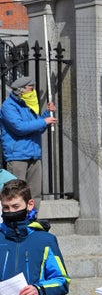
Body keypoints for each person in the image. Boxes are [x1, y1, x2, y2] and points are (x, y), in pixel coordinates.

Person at [0, 77, 57, 211]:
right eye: (31, 89)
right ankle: (16, 222)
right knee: (15, 194)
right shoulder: (8, 106)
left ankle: (32, 221)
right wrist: (44, 121)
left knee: (34, 193)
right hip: (17, 156)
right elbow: (20, 127)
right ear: (21, 90)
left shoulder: (29, 106)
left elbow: (37, 127)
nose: (33, 92)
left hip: (33, 154)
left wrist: (47, 114)